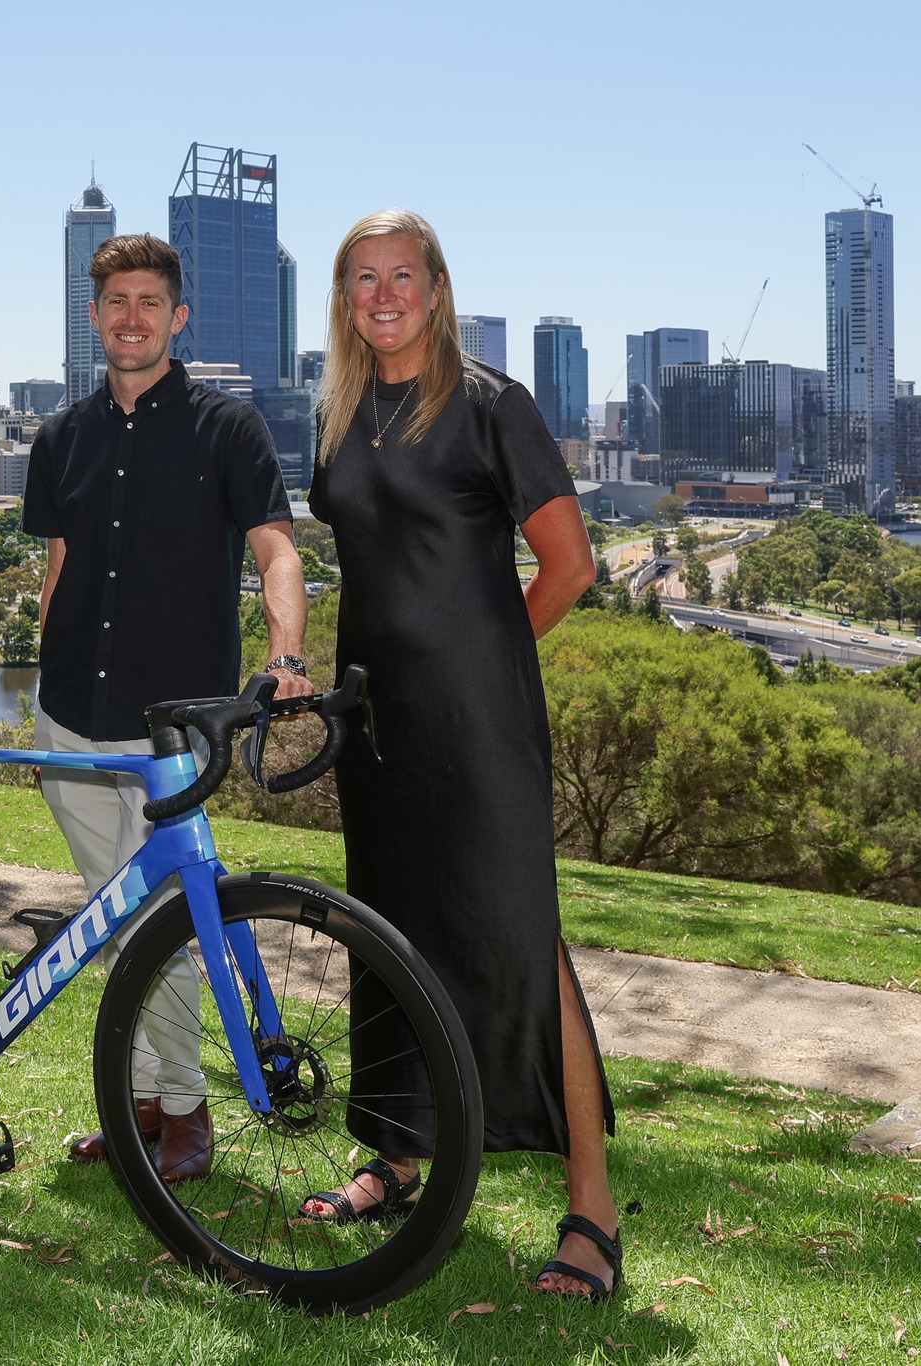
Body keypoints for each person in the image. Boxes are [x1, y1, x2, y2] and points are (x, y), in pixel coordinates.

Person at [302, 210, 624, 1300]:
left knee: (520, 945)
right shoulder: (338, 413)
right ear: (343, 298)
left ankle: (590, 1204)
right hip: (374, 729)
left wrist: (480, 665)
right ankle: (397, 1156)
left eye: (402, 276)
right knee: (385, 935)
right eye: (362, 278)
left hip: (477, 729)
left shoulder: (490, 405)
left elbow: (569, 566)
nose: (382, 295)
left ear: (437, 289)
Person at [22, 233, 313, 1183]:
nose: (132, 317)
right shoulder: (61, 435)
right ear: (95, 315)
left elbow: (276, 551)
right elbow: (58, 568)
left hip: (170, 729)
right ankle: (143, 1102)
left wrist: (286, 655)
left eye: (151, 301)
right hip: (69, 717)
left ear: (177, 316)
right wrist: (32, 683)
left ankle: (183, 1112)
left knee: (163, 921)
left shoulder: (229, 429)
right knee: (117, 922)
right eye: (116, 302)